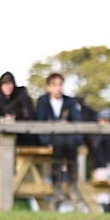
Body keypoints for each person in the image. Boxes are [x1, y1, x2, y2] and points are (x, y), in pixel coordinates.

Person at [35, 72, 84, 205]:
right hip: (51, 140)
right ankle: (56, 187)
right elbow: (40, 123)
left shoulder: (70, 102)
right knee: (58, 145)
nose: (57, 88)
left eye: (60, 85)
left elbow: (78, 122)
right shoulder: (42, 102)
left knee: (70, 145)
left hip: (69, 140)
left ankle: (72, 186)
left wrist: (78, 140)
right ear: (48, 87)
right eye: (54, 85)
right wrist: (45, 141)